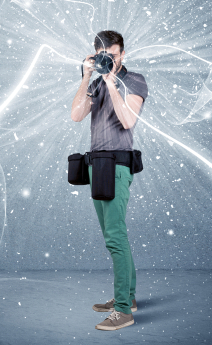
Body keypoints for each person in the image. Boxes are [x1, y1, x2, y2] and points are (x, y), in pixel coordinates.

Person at [70, 30, 148, 331]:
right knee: (113, 237)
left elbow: (128, 120)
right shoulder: (94, 83)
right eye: (103, 55)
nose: (108, 60)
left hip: (117, 164)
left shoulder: (134, 80)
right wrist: (86, 77)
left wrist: (110, 81)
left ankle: (123, 311)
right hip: (97, 164)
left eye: (112, 56)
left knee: (116, 238)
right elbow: (76, 115)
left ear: (122, 54)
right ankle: (126, 298)